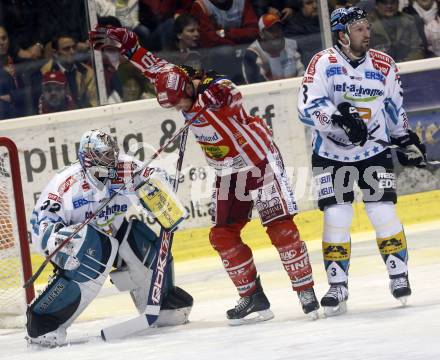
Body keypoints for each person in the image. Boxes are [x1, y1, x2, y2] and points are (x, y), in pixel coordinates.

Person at [89, 25, 320, 325]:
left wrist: (208, 103)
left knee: (280, 229)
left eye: (181, 103)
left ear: (189, 90)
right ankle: (253, 297)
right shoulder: (178, 82)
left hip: (258, 163)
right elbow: (153, 67)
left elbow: (230, 95)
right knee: (222, 236)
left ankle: (305, 291)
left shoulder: (218, 89)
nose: (180, 109)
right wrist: (129, 46)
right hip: (228, 171)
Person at [297, 7, 427, 316]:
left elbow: (394, 107)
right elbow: (306, 107)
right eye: (358, 28)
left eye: (367, 27)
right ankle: (337, 285)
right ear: (342, 35)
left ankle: (398, 274)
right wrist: (337, 119)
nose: (366, 33)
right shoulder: (323, 63)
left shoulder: (384, 65)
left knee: (382, 211)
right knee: (337, 216)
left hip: (373, 153)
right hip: (330, 154)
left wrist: (405, 139)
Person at [27, 129, 193, 347]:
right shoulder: (66, 184)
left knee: (142, 241)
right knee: (92, 246)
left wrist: (159, 193)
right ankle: (44, 321)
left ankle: (159, 304)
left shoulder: (125, 168)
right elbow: (40, 224)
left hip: (116, 235)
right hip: (84, 249)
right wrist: (57, 240)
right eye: (104, 155)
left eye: (112, 153)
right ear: (88, 157)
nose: (111, 159)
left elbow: (156, 177)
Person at [242, 13, 304, 83]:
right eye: (271, 30)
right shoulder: (252, 54)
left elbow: (305, 74)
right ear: (261, 34)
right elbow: (256, 86)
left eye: (278, 28)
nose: (277, 33)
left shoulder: (293, 45)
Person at [40, 34, 98, 108]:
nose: (72, 52)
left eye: (74, 47)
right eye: (66, 49)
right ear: (55, 53)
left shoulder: (87, 72)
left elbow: (93, 102)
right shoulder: (45, 73)